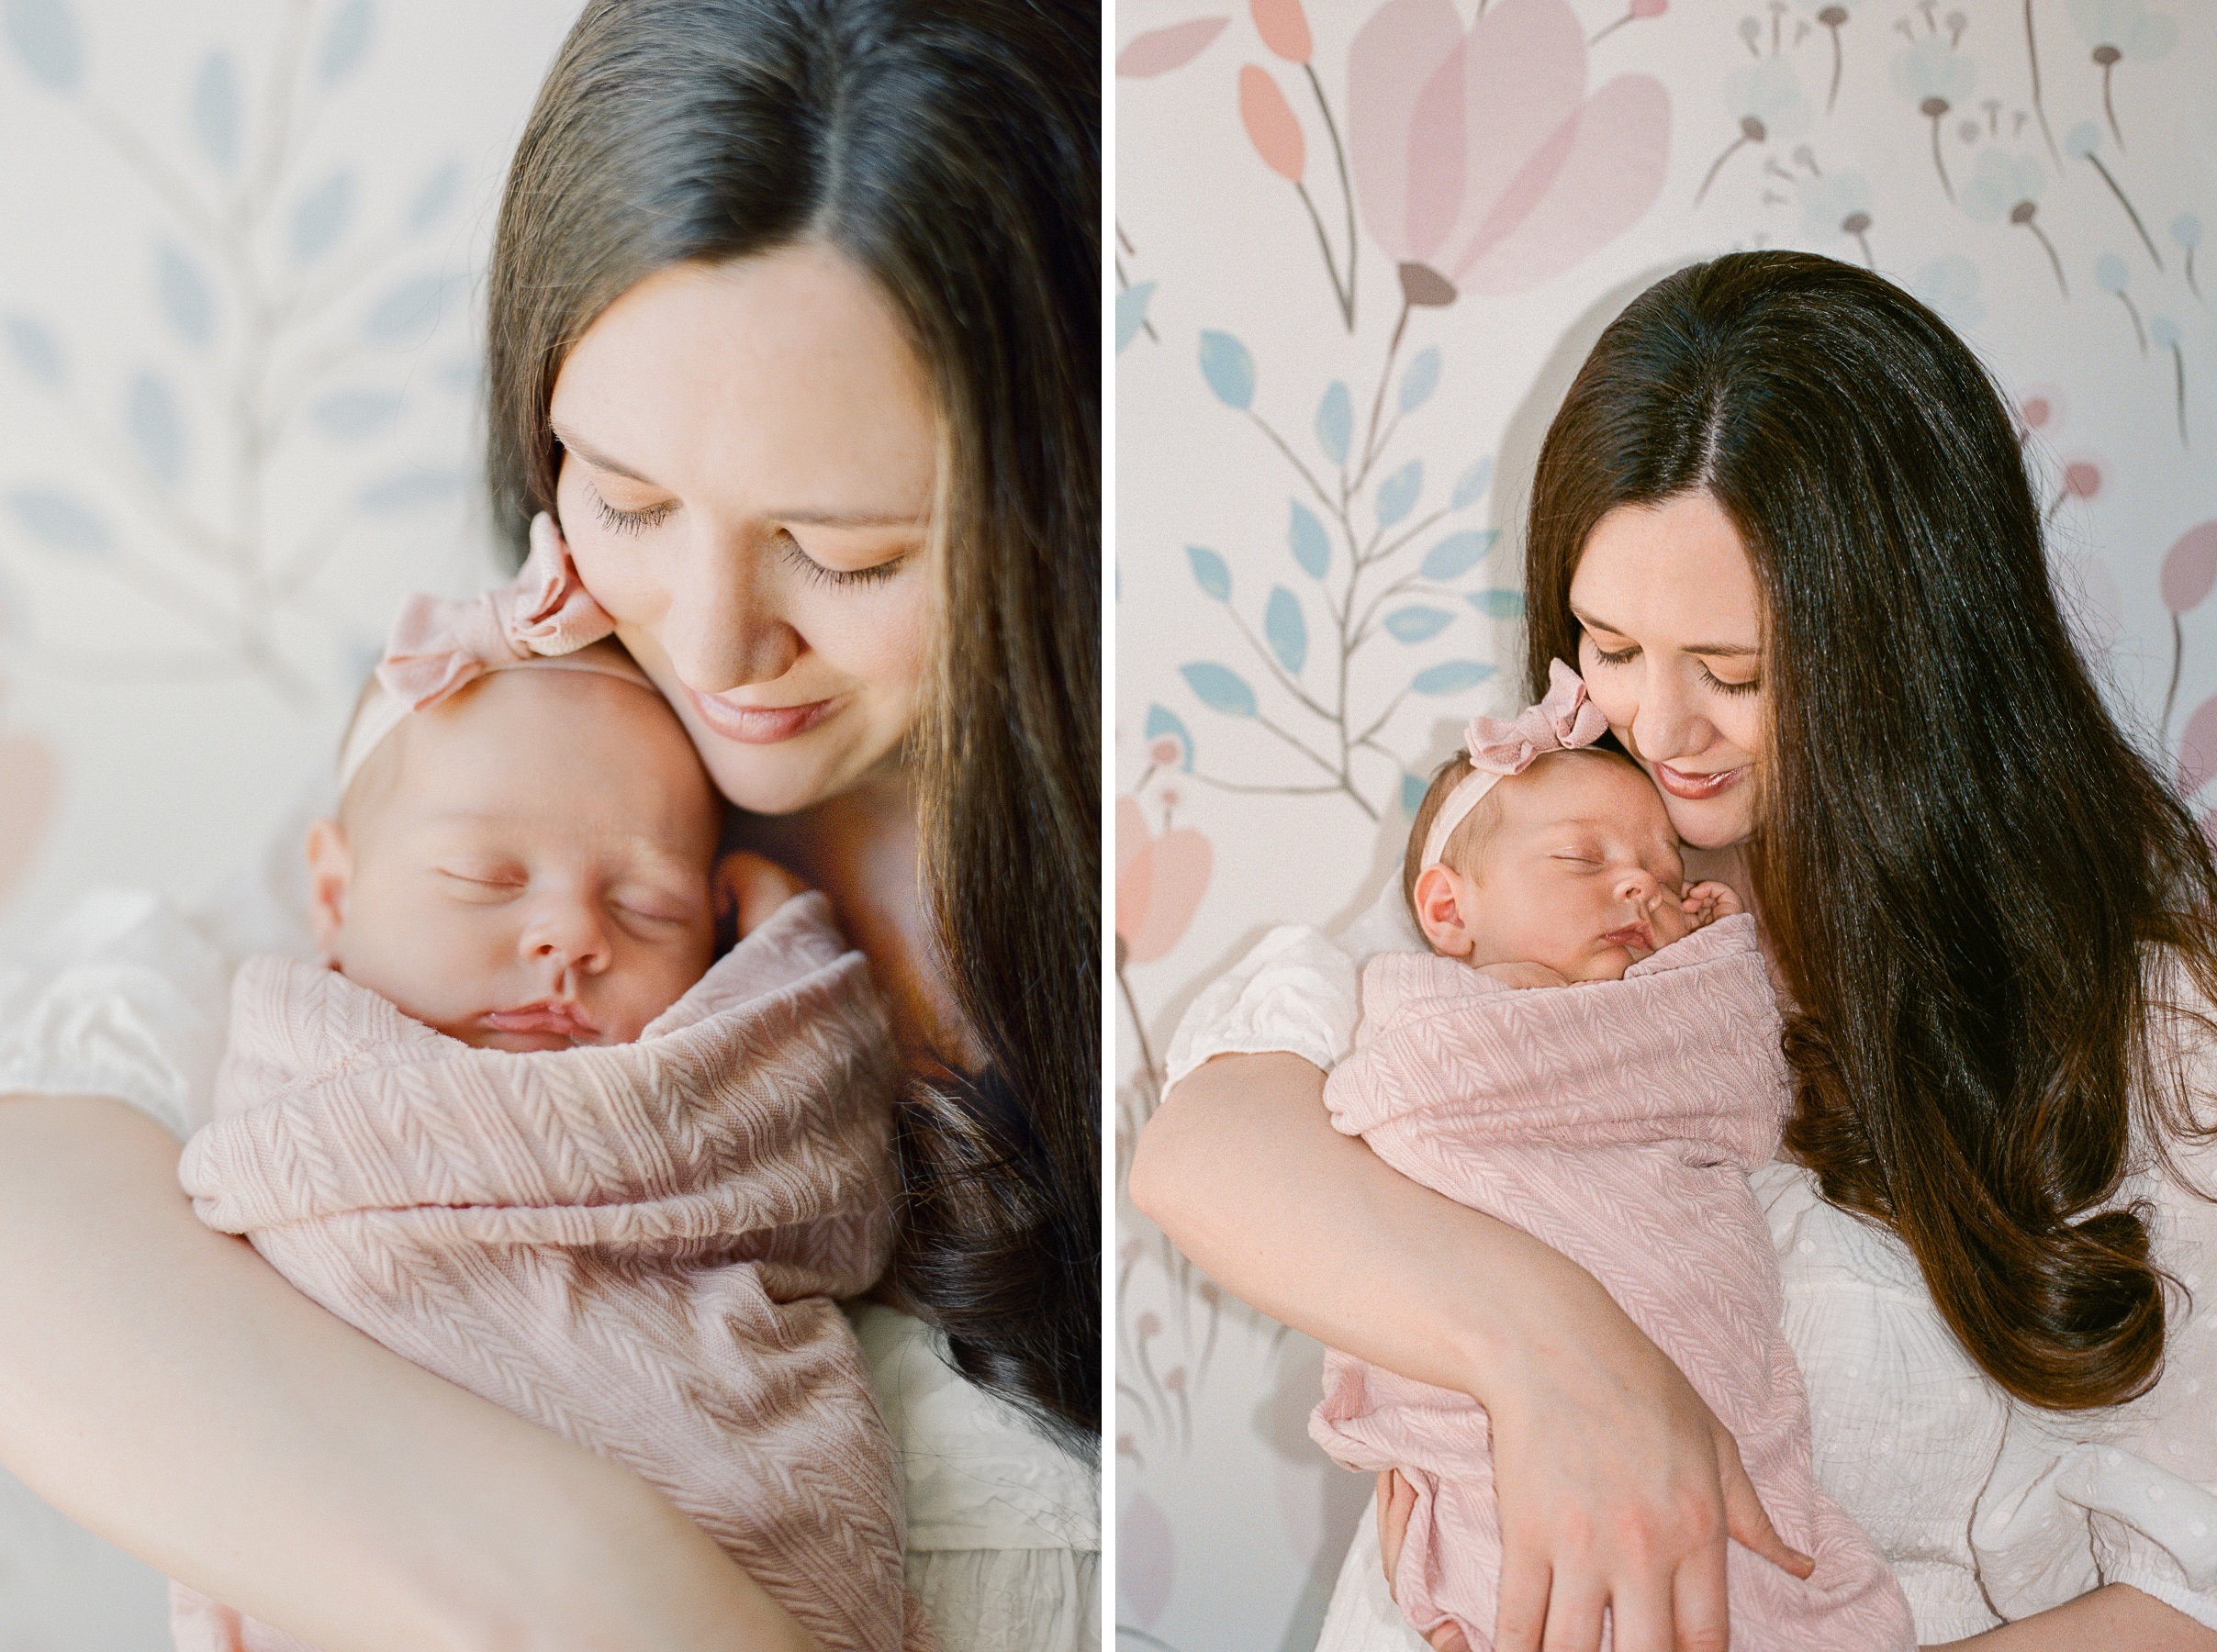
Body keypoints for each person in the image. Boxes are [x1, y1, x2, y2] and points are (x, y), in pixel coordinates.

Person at [0, 3, 1099, 1647]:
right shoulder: (517, 754)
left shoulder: (1172, 892)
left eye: (852, 553)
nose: (714, 647)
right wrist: (607, 1581)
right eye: (629, 502)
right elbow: (53, 1195)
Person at [1132, 251, 2217, 1652]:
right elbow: (1209, 1147)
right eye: (1610, 645)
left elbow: (2189, 1590)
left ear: (1916, 659)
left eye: (1741, 674)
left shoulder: (2142, 1027)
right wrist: (1565, 1356)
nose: (1661, 727)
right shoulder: (1547, 894)